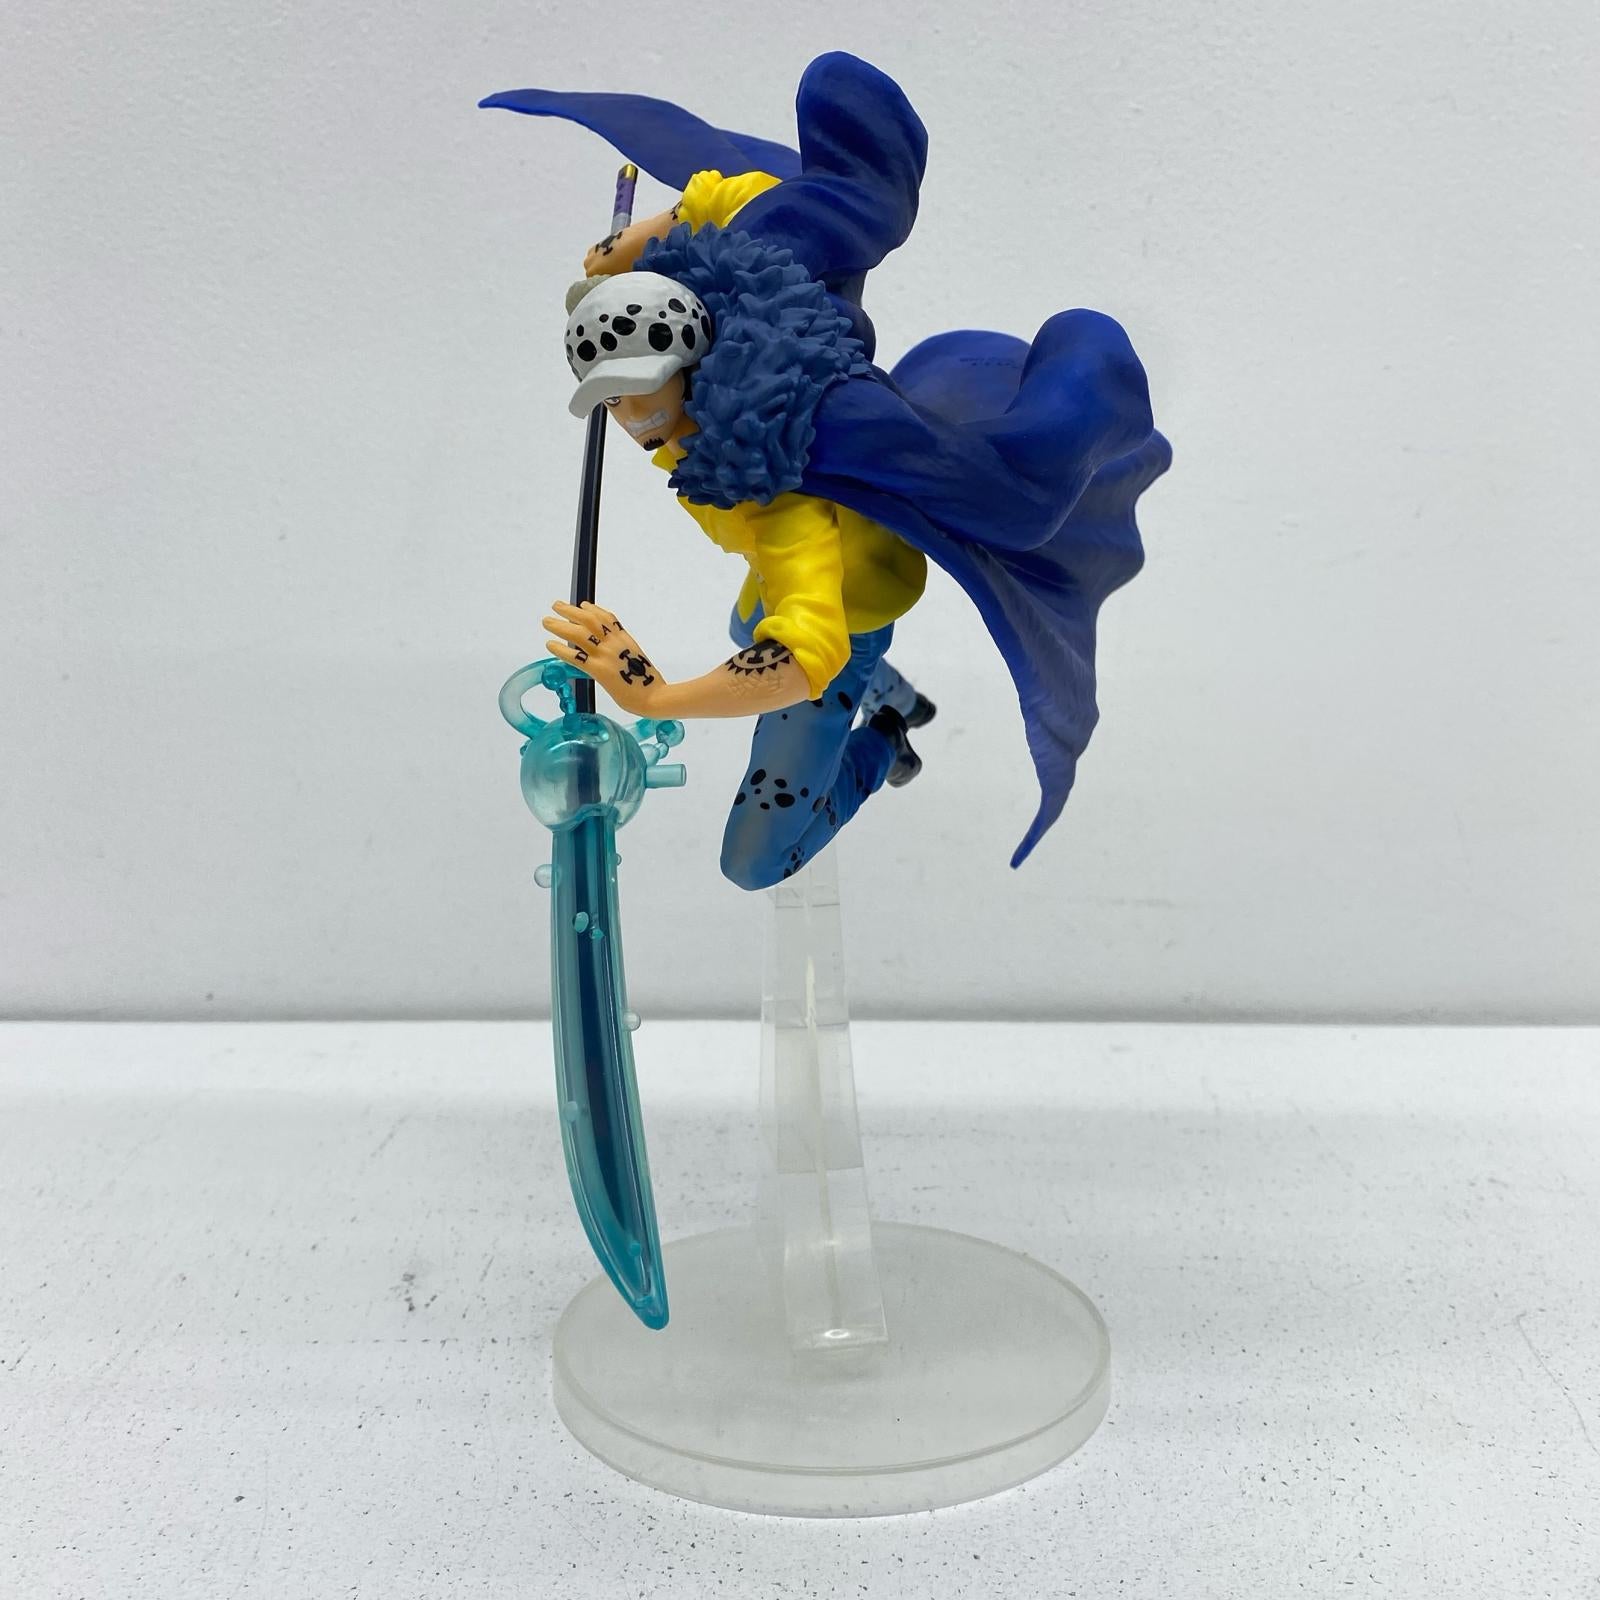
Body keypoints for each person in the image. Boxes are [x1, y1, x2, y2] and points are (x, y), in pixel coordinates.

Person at [486, 51, 1171, 885]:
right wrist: (631, 244)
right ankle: (901, 699)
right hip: (796, 575)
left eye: (634, 393)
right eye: (606, 397)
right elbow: (726, 194)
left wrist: (652, 694)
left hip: (845, 606)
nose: (623, 419)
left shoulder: (779, 494)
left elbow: (806, 654)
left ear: (684, 369)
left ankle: (884, 741)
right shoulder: (732, 289)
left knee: (754, 860)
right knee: (746, 622)